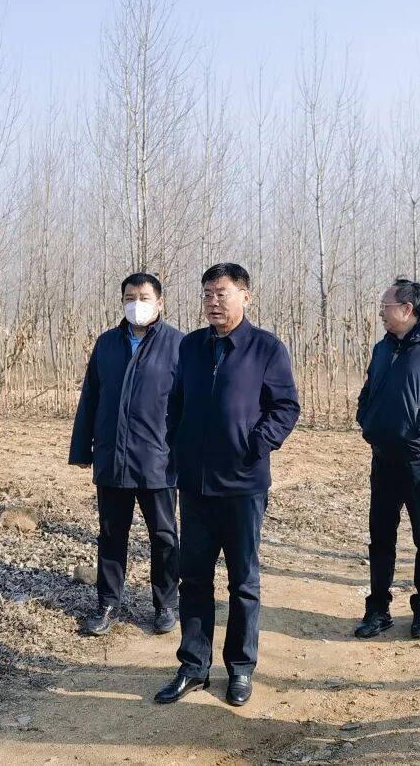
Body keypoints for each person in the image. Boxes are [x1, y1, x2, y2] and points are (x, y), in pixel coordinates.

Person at [154, 263, 300, 708]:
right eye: (206, 294)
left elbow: (286, 406)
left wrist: (256, 444)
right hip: (196, 485)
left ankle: (240, 668)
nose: (212, 302)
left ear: (245, 297)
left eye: (221, 293)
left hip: (243, 484)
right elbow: (176, 402)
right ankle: (193, 666)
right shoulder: (191, 346)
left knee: (243, 580)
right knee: (194, 578)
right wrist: (177, 445)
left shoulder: (266, 348)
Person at [69, 272, 183, 637]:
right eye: (129, 298)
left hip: (158, 460)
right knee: (110, 535)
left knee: (163, 536)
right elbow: (90, 397)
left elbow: (187, 405)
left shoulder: (178, 345)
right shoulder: (107, 343)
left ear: (160, 302)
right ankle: (107, 603)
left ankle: (165, 604)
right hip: (112, 457)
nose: (137, 304)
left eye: (144, 297)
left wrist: (185, 451)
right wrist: (82, 447)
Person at [354, 278, 420, 640]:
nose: (381, 313)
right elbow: (368, 389)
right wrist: (366, 418)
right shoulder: (382, 348)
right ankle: (378, 609)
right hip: (383, 457)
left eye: (385, 307)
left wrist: (418, 424)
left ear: (406, 309)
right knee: (380, 537)